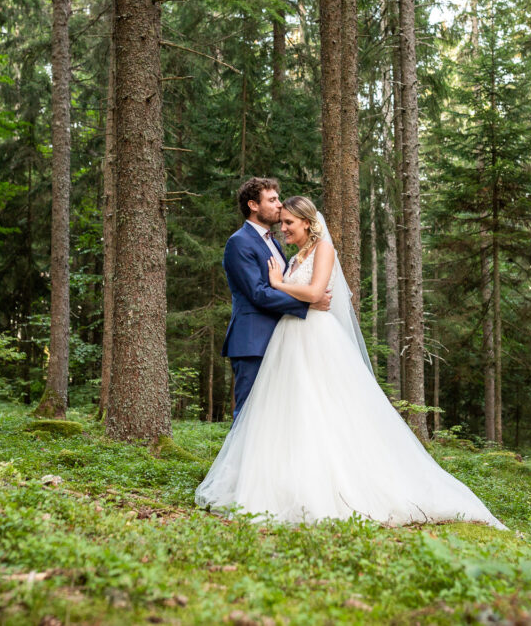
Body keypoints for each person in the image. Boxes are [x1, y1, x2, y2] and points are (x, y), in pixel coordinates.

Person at [197, 196, 506, 529]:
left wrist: (278, 283)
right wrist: (285, 287)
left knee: (326, 407)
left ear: (307, 222)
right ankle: (284, 480)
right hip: (288, 338)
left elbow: (316, 293)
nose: (283, 227)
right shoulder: (294, 254)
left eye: (289, 222)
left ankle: (338, 485)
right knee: (288, 410)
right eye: (281, 220)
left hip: (315, 336)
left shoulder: (323, 250)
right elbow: (295, 296)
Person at [221, 178, 332, 419]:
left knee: (274, 419)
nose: (279, 205)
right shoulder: (239, 242)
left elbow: (283, 286)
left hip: (282, 340)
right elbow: (258, 293)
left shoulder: (273, 242)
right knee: (249, 416)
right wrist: (308, 303)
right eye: (272, 200)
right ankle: (239, 459)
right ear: (253, 205)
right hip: (253, 342)